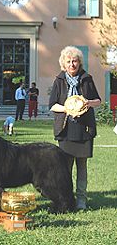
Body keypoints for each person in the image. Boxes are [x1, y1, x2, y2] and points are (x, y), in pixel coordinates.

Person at [49, 46, 101, 211]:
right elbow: (52, 105)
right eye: (69, 61)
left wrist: (88, 103)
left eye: (75, 61)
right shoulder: (59, 80)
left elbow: (98, 101)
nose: (72, 64)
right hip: (65, 129)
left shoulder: (87, 79)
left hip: (84, 129)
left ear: (80, 62)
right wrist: (67, 108)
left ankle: (81, 201)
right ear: (63, 63)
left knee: (82, 166)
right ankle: (66, 199)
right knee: (65, 168)